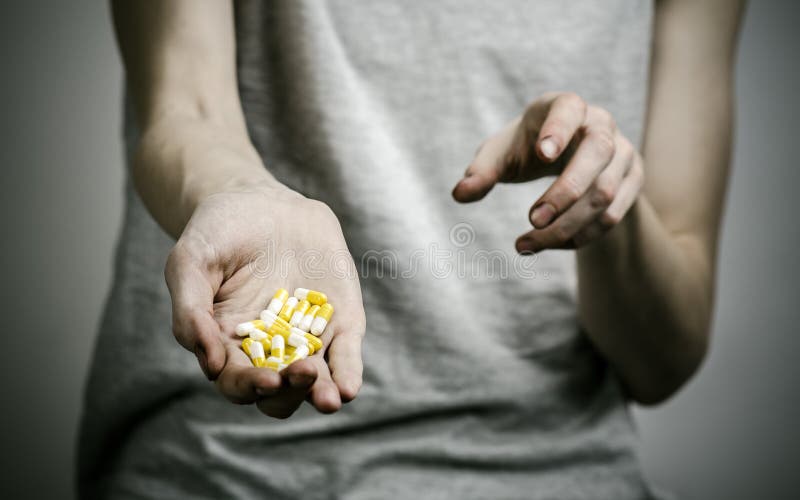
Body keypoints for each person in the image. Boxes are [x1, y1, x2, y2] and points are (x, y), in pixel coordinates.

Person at [78, 0, 744, 498]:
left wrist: (603, 205)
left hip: (551, 470)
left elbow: (664, 361)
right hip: (223, 468)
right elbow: (184, 106)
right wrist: (240, 189)